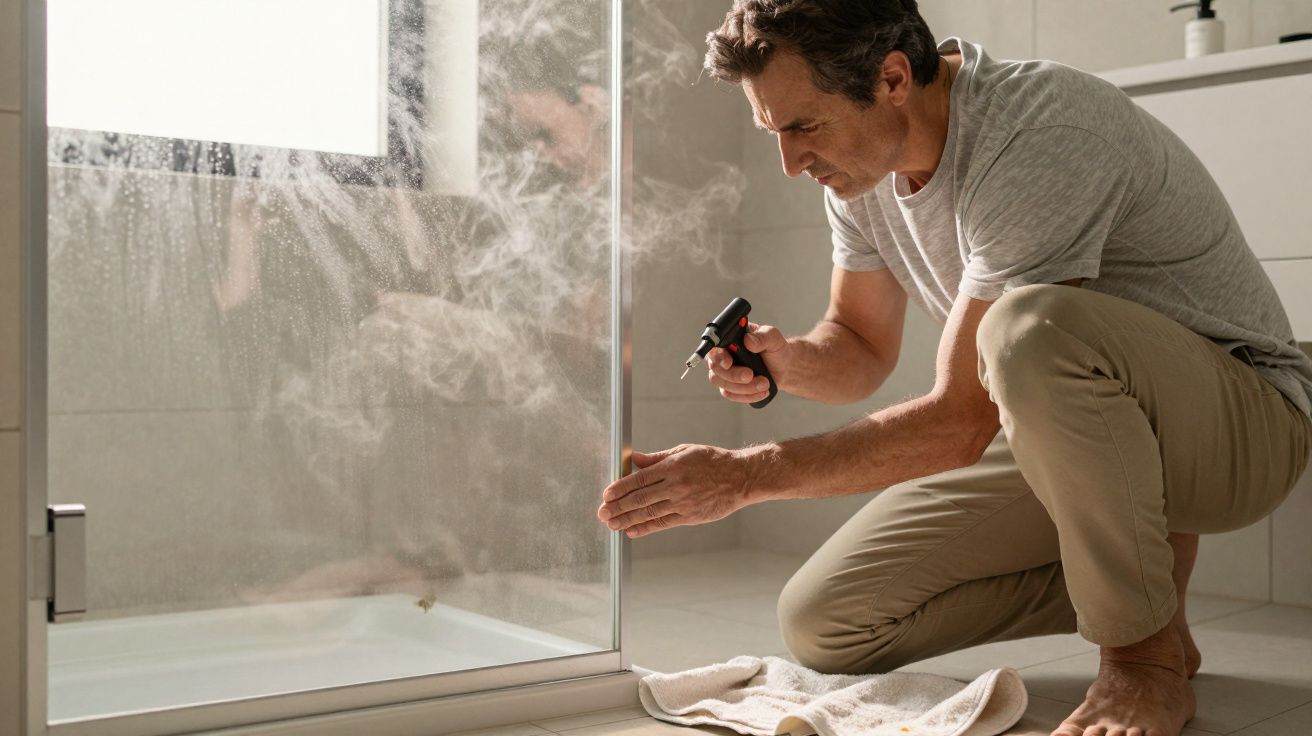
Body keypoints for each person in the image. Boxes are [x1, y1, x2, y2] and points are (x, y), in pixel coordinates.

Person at [594, 2, 1312, 735]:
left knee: (1025, 328)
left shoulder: (1038, 133)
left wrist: (742, 477)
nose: (790, 161)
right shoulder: (862, 170)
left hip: (1244, 425)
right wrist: (787, 363)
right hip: (1079, 430)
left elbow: (960, 421)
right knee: (826, 621)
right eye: (773, 131)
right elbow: (859, 346)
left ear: (894, 77)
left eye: (803, 126)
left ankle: (1144, 657)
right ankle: (1142, 589)